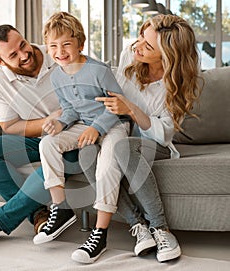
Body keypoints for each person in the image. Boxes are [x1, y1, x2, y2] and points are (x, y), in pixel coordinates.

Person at [80, 14, 202, 263]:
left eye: (147, 46)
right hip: (120, 136)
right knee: (87, 152)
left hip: (154, 145)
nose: (137, 46)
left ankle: (160, 228)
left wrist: (131, 109)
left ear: (168, 56)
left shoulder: (176, 83)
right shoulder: (130, 55)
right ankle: (139, 227)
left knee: (124, 148)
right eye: (140, 37)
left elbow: (164, 133)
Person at [0, 24, 81, 247]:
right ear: (0, 61)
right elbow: (10, 126)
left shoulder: (57, 53)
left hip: (75, 138)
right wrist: (47, 123)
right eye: (13, 55)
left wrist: (63, 121)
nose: (25, 55)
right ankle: (38, 215)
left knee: (54, 153)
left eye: (23, 45)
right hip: (38, 136)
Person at [33, 11, 130, 263]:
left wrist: (97, 128)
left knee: (107, 166)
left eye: (66, 43)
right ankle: (61, 209)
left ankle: (100, 233)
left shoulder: (99, 70)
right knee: (47, 144)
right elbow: (70, 109)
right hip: (82, 125)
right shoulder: (56, 75)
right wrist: (60, 122)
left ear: (80, 44)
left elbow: (118, 105)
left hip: (113, 125)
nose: (60, 51)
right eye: (53, 46)